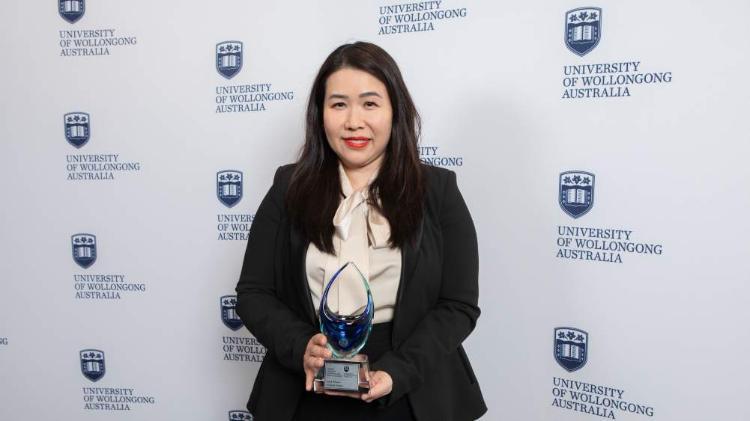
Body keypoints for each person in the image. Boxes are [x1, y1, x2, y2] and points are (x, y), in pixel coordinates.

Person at [235, 41, 486, 421]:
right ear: (320, 114)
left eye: (370, 104)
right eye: (339, 104)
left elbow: (458, 305)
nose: (354, 121)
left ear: (395, 111)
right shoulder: (288, 188)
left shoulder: (438, 191)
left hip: (412, 389)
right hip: (305, 390)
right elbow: (254, 293)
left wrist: (398, 371)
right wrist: (302, 347)